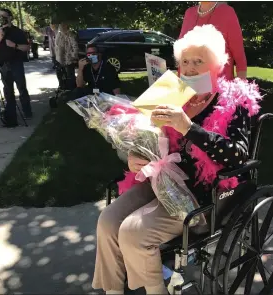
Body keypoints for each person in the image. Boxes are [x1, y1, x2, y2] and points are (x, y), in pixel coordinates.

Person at [92, 24, 262, 294]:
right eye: (185, 61)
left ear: (216, 64)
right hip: (162, 180)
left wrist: (189, 128)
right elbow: (146, 137)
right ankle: (113, 289)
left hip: (204, 196)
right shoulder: (173, 94)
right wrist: (134, 155)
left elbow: (237, 155)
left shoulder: (233, 102)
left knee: (133, 233)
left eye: (198, 61)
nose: (191, 68)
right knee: (109, 222)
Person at [178, 1, 247, 80]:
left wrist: (241, 88)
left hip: (219, 87)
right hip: (189, 85)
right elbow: (181, 54)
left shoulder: (227, 12)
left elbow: (239, 57)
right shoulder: (189, 13)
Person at [0, 8, 32, 127]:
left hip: (16, 63)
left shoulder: (17, 31)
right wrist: (0, 36)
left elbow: (26, 48)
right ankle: (11, 115)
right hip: (4, 64)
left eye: (3, 16)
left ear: (10, 17)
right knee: (8, 91)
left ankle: (27, 112)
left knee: (22, 88)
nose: (1, 18)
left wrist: (14, 45)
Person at [54, 22, 78, 90]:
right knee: (61, 76)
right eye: (61, 26)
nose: (62, 27)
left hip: (69, 60)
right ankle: (63, 88)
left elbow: (75, 47)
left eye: (63, 26)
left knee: (70, 76)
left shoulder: (71, 35)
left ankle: (71, 90)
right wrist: (57, 57)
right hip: (60, 60)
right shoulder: (58, 35)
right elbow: (57, 47)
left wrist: (73, 56)